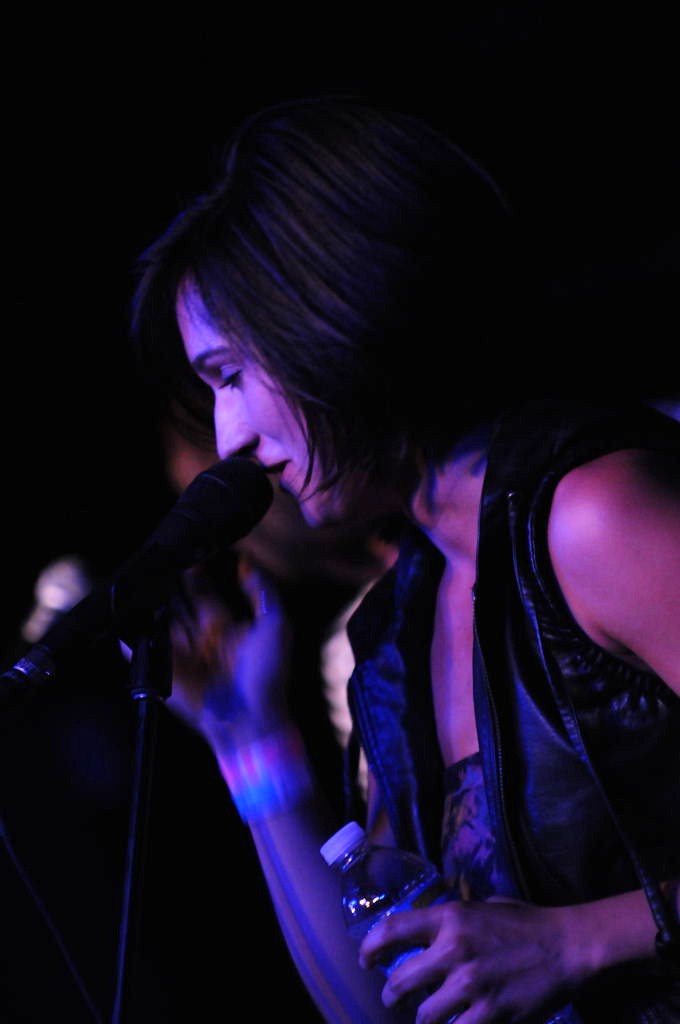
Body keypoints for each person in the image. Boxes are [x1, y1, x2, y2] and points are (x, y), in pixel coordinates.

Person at [130, 94, 680, 1023]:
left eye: (231, 374)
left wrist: (578, 939)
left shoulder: (593, 518)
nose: (230, 437)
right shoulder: (394, 632)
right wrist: (250, 743)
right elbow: (380, 1007)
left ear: (331, 316)